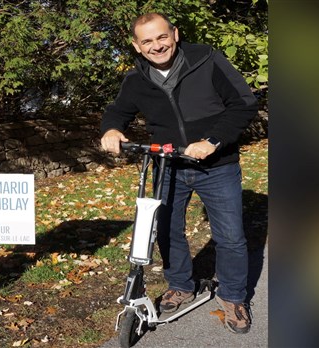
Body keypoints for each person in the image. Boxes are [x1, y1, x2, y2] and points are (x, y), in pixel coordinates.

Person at [100, 13, 257, 334]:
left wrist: (212, 141)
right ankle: (181, 285)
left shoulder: (207, 60)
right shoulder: (135, 80)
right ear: (137, 46)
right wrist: (112, 129)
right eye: (147, 41)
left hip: (217, 165)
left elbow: (243, 103)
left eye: (161, 37)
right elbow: (118, 111)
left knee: (229, 236)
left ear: (175, 33)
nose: (157, 46)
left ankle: (233, 297)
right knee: (168, 231)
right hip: (168, 166)